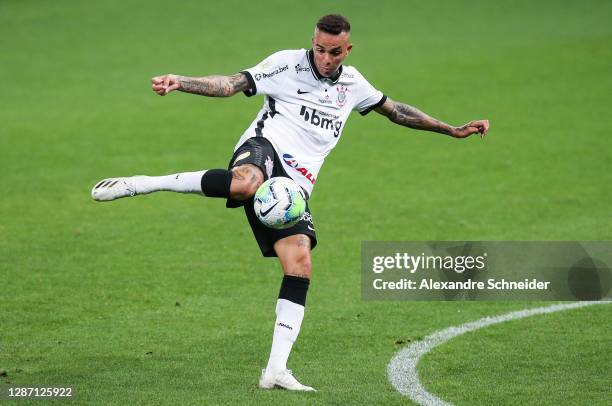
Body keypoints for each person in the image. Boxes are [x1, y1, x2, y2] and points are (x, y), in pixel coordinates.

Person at [91, 14, 489, 391]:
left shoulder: (353, 85)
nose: (325, 58)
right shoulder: (286, 65)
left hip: (295, 187)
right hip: (264, 149)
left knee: (300, 264)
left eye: (334, 52)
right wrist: (181, 80)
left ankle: (276, 369)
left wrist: (451, 129)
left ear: (348, 50)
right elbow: (230, 84)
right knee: (245, 184)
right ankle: (145, 183)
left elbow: (396, 111)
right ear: (312, 42)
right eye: (319, 49)